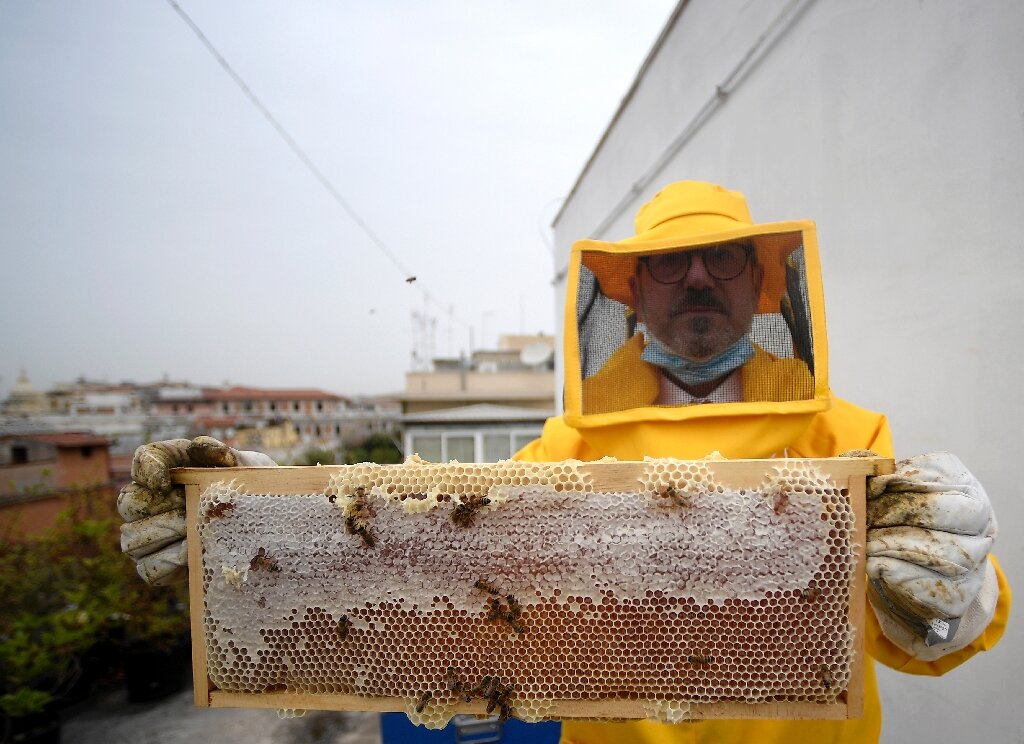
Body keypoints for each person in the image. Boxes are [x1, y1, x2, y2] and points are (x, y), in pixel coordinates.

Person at [119, 181, 1010, 744]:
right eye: (668, 265)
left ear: (763, 283)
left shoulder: (847, 438)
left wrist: (952, 592)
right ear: (628, 293)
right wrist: (242, 516)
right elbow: (434, 566)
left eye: (724, 258)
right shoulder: (566, 450)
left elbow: (929, 630)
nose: (698, 277)